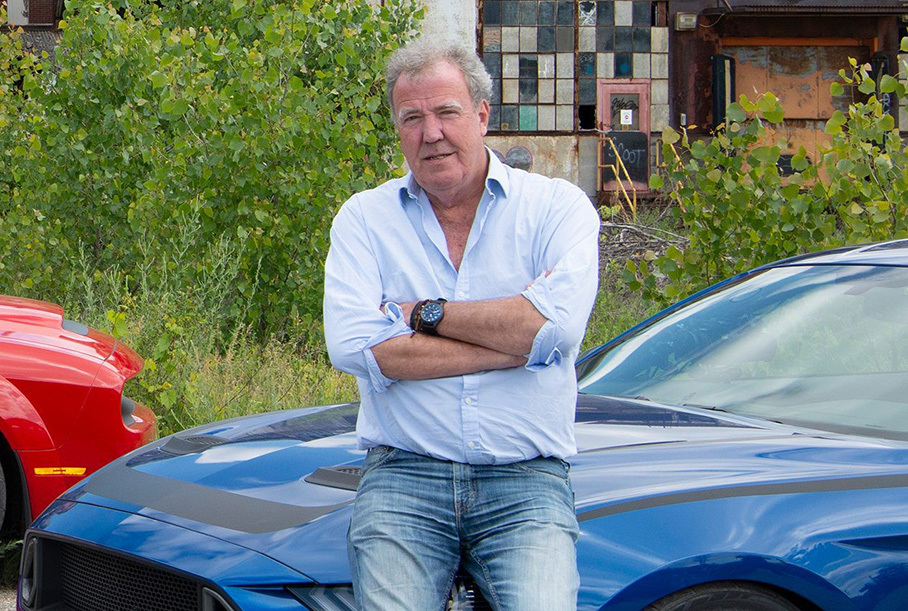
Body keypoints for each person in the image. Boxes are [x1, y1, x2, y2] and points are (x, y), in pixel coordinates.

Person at [323, 38, 600, 611]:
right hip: (404, 475)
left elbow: (556, 330)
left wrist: (424, 315)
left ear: (481, 115)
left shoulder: (556, 208)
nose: (431, 134)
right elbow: (354, 347)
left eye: (446, 112)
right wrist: (517, 345)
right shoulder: (364, 219)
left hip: (526, 482)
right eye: (412, 118)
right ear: (398, 129)